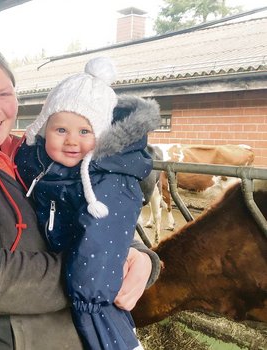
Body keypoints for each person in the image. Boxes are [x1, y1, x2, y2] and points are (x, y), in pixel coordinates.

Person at [0, 42, 160, 349]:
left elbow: (86, 215)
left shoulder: (34, 155)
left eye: (4, 94)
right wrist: (102, 270)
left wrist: (138, 256)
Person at [14, 57, 161, 349]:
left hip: (95, 294)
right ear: (43, 129)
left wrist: (90, 300)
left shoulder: (106, 181)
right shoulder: (39, 162)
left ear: (101, 136)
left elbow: (102, 243)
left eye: (84, 132)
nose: (71, 141)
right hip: (66, 282)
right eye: (60, 130)